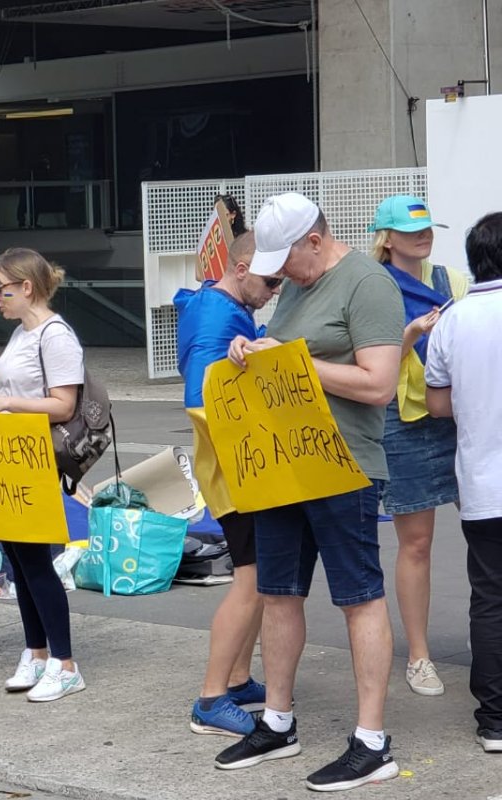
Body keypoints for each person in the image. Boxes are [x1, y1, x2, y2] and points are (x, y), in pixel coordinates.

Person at [218, 193, 403, 791]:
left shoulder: (367, 285)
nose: (278, 276)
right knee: (278, 593)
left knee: (359, 596)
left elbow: (379, 384)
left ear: (315, 242)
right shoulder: (299, 284)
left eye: (285, 261)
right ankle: (277, 719)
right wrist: (248, 352)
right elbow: (284, 354)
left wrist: (293, 359)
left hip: (344, 464)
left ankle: (372, 740)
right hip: (284, 462)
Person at [0, 247, 85, 703]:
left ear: (27, 287)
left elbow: (63, 404)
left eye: (3, 288)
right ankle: (37, 653)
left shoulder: (54, 335)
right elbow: (7, 389)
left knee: (35, 563)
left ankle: (65, 662)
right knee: (18, 561)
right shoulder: (22, 334)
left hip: (36, 460)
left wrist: (5, 402)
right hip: (11, 459)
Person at [173, 231, 280, 737]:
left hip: (233, 467)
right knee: (252, 579)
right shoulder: (220, 315)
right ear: (240, 269)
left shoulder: (209, 306)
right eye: (270, 278)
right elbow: (202, 400)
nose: (276, 288)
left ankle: (235, 681)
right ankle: (212, 697)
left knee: (254, 575)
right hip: (237, 469)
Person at [368, 194, 467, 698]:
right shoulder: (373, 287)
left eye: (427, 228)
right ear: (386, 238)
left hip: (458, 416)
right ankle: (420, 656)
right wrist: (407, 337)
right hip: (404, 421)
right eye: (411, 231)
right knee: (418, 543)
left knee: (487, 533)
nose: (423, 236)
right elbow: (367, 360)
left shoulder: (450, 279)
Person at [425, 211, 502, 754]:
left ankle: (495, 721)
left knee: (491, 598)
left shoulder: (452, 319)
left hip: (482, 485)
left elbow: (436, 403)